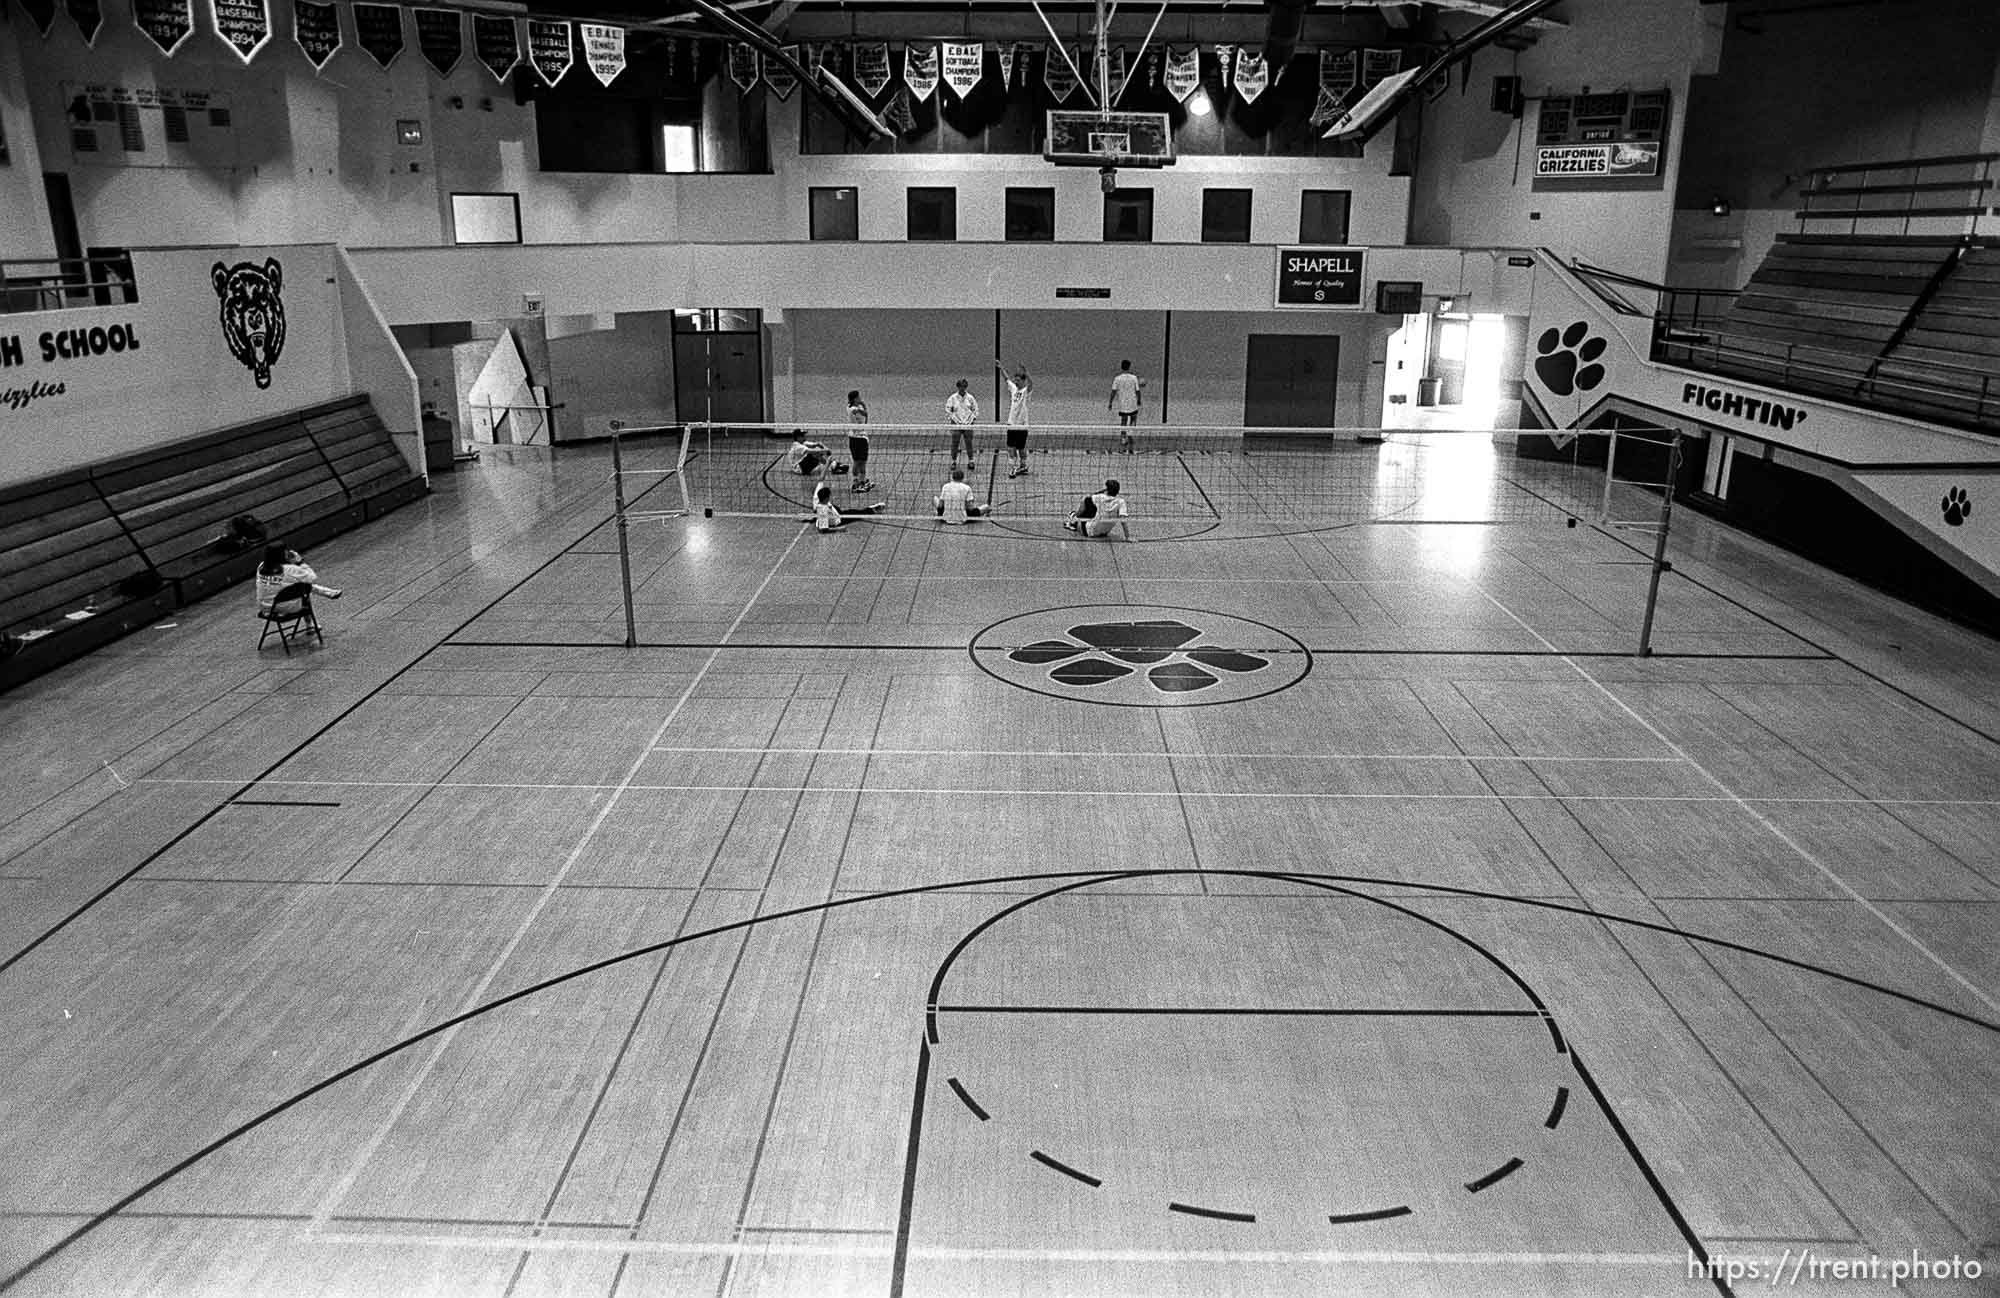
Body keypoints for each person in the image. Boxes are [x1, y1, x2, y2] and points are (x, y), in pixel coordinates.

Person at [255, 544, 341, 615]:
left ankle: (329, 592)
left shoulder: (261, 566)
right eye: (285, 552)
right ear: (281, 555)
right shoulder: (290, 569)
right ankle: (310, 624)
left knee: (294, 585)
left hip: (264, 607)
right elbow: (312, 578)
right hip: (285, 607)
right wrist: (300, 562)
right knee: (303, 587)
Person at [995, 359, 1033, 478]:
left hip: (1022, 425)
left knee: (1021, 448)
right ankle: (1013, 468)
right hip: (1012, 424)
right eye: (1015, 379)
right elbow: (1006, 379)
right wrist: (1001, 368)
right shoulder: (1014, 389)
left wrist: (1026, 373)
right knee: (1011, 448)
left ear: (1023, 380)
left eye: (1017, 380)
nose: (1015, 381)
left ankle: (1023, 466)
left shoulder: (1026, 392)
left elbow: (1031, 384)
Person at [1065, 479, 1129, 538]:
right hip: (1105, 532)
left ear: (1107, 489)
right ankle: (1075, 520)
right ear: (1118, 491)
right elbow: (1123, 521)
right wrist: (1128, 537)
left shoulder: (1098, 497)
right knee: (1092, 508)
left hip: (1088, 532)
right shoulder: (1121, 502)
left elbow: (1086, 499)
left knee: (1085, 503)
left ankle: (1073, 521)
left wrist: (1077, 514)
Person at [814, 482, 883, 532]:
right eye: (829, 496)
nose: (830, 497)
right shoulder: (822, 510)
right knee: (856, 514)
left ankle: (870, 510)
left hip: (836, 512)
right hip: (839, 520)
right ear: (826, 498)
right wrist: (839, 529)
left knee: (853, 512)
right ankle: (872, 509)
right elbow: (822, 530)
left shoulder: (820, 499)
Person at [945, 377, 979, 471]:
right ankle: (953, 461)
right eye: (960, 386)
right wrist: (954, 420)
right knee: (954, 443)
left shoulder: (970, 398)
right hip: (956, 425)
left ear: (966, 387)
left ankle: (971, 461)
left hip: (968, 425)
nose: (962, 388)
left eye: (964, 386)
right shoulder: (952, 398)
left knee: (969, 443)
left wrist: (971, 420)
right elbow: (948, 411)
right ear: (958, 387)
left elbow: (975, 410)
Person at [1109, 359, 1143, 451]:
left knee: (1123, 420)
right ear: (1129, 366)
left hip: (1123, 402)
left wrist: (1110, 402)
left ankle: (1123, 437)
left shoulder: (1117, 378)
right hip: (1132, 402)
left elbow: (1113, 392)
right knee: (1133, 418)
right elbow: (1138, 391)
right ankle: (1130, 434)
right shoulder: (1134, 378)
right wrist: (1139, 400)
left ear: (1121, 366)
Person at [846, 389, 874, 493]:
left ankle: (862, 482)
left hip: (862, 436)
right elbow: (862, 413)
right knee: (857, 461)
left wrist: (863, 407)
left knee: (863, 461)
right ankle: (855, 483)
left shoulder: (858, 407)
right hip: (856, 438)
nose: (860, 398)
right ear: (854, 399)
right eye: (858, 397)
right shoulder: (852, 408)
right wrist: (863, 408)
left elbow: (866, 416)